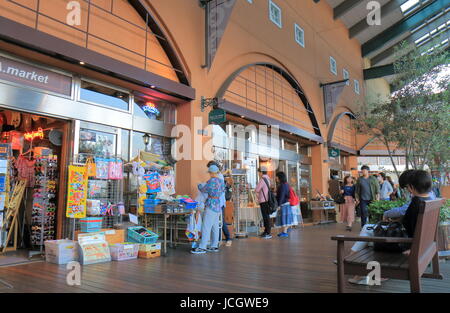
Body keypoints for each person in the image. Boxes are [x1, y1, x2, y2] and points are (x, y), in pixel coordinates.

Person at [345, 170, 436, 284]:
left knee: (370, 234)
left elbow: (408, 224)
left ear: (412, 187)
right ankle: (359, 271)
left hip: (405, 244)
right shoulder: (430, 199)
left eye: (408, 187)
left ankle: (358, 269)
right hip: (422, 244)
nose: (407, 190)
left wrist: (412, 248)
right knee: (370, 232)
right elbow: (411, 223)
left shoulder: (417, 202)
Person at [191, 164, 225, 254]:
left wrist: (199, 184)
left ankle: (202, 247)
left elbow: (203, 189)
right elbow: (222, 191)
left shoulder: (211, 181)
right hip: (218, 205)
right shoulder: (221, 181)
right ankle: (214, 245)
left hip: (211, 205)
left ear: (210, 172)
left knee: (206, 226)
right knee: (215, 226)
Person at [207, 161, 232, 247]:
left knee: (221, 222)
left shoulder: (218, 177)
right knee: (217, 222)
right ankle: (217, 241)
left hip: (219, 203)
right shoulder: (218, 176)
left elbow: (218, 191)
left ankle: (228, 238)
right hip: (217, 203)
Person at [274, 171, 293, 238]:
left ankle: (284, 232)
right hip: (286, 204)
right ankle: (284, 232)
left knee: (284, 218)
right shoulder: (286, 184)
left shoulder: (282, 185)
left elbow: (281, 196)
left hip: (284, 204)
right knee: (285, 218)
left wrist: (279, 205)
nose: (275, 178)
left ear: (279, 177)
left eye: (276, 176)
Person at [255, 167, 272, 239]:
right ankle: (266, 231)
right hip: (267, 200)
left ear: (261, 172)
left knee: (265, 217)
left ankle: (267, 232)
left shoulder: (262, 179)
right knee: (266, 217)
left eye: (259, 172)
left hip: (263, 201)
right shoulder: (268, 179)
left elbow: (257, 189)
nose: (258, 174)